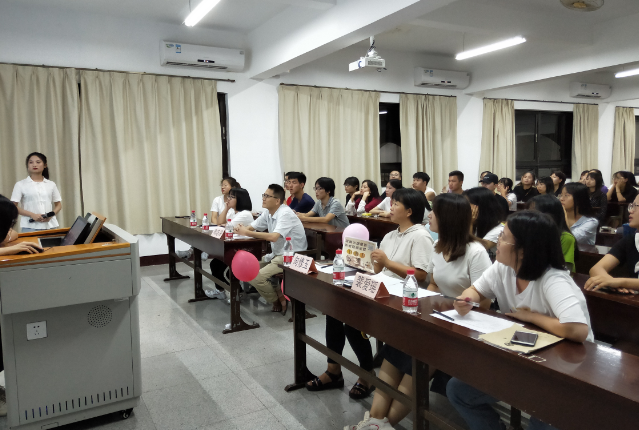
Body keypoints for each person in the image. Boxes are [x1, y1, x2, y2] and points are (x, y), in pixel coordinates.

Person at [447, 211, 593, 430]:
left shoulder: (553, 279)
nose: (498, 240)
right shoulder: (502, 268)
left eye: (504, 237)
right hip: (523, 359)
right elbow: (476, 290)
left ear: (523, 250)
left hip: (565, 370)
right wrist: (466, 299)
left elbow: (577, 329)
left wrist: (531, 316)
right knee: (459, 390)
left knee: (543, 417)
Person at [345, 189, 434, 430]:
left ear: (409, 211)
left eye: (395, 204)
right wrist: (364, 263)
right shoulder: (390, 235)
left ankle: (379, 420)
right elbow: (379, 270)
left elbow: (421, 275)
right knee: (347, 319)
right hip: (383, 293)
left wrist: (386, 263)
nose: (390, 207)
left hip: (404, 300)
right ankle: (376, 417)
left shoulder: (421, 236)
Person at [234, 184, 307, 314]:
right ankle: (278, 294)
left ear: (277, 200)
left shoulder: (285, 213)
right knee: (248, 270)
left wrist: (247, 232)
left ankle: (276, 300)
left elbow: (273, 237)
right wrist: (241, 229)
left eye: (267, 196)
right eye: (264, 195)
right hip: (277, 254)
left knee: (256, 277)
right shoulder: (268, 212)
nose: (263, 198)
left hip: (292, 256)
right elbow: (253, 226)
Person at [427, 193, 492, 299]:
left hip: (466, 308)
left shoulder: (476, 252)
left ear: (448, 218)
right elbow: (433, 285)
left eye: (434, 211)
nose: (429, 215)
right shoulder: (437, 244)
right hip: (443, 306)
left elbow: (485, 301)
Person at [208, 189, 255, 300]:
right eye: (229, 196)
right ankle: (222, 291)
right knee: (215, 264)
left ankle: (237, 293)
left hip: (244, 249)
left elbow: (226, 227)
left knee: (226, 270)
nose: (228, 199)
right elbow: (220, 223)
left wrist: (224, 225)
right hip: (233, 246)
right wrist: (226, 208)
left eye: (232, 197)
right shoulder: (233, 212)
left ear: (240, 199)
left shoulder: (245, 214)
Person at [586, 194, 639, 294]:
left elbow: (619, 282)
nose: (630, 211)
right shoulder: (630, 240)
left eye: (636, 206)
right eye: (631, 206)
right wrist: (609, 281)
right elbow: (596, 268)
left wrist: (620, 282)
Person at [11, 152, 62, 232]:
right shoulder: (20, 184)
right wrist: (32, 215)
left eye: (38, 162)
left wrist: (51, 215)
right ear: (27, 166)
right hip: (29, 226)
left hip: (50, 226)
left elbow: (58, 205)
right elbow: (13, 206)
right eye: (31, 162)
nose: (34, 165)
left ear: (45, 165)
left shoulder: (51, 184)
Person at [526, 194, 576, 273]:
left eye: (533, 213)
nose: (528, 217)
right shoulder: (529, 232)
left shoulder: (565, 238)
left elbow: (565, 268)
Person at [464, 187, 505, 254]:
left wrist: (470, 223)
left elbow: (474, 250)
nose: (464, 207)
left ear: (480, 207)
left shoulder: (499, 231)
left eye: (467, 203)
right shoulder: (477, 224)